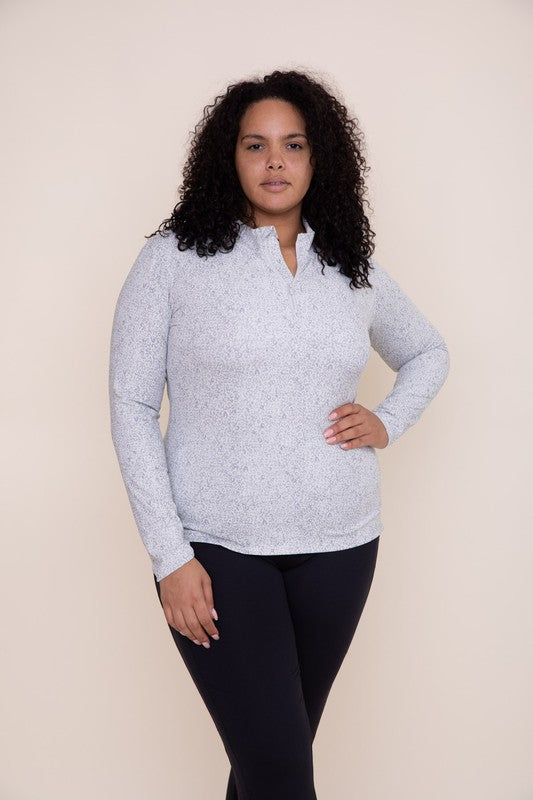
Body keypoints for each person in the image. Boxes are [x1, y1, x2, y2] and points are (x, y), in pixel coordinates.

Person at [108, 68, 450, 800]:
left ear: (318, 157)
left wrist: (387, 421)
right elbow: (131, 406)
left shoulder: (349, 268)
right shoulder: (172, 262)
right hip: (217, 550)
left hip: (341, 547)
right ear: (226, 156)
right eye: (255, 144)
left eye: (293, 145)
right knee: (282, 773)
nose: (274, 161)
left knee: (269, 766)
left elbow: (427, 351)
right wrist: (170, 556)